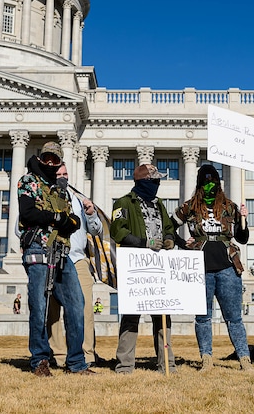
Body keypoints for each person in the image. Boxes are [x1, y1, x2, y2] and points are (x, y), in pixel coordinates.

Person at [17, 142, 95, 377]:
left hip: (63, 252)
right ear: (41, 159)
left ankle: (76, 362)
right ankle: (40, 360)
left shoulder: (61, 189)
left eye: (55, 160)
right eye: (47, 158)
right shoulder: (28, 181)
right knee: (39, 307)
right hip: (38, 249)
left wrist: (59, 219)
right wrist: (57, 218)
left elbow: (74, 222)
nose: (51, 163)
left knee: (76, 305)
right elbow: (28, 213)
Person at [171, 164, 253, 372]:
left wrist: (244, 219)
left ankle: (245, 359)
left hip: (228, 267)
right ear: (199, 184)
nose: (210, 185)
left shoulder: (229, 206)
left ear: (219, 183)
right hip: (199, 268)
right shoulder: (189, 207)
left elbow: (242, 239)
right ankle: (206, 358)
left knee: (234, 317)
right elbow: (168, 227)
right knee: (203, 317)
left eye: (213, 181)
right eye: (206, 182)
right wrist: (182, 243)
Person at [110, 163, 176, 374]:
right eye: (154, 180)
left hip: (159, 267)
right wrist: (144, 243)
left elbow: (168, 228)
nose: (158, 184)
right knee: (131, 316)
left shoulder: (159, 205)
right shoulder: (123, 203)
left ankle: (166, 364)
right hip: (136, 267)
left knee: (163, 315)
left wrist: (169, 239)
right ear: (143, 182)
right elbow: (118, 232)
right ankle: (125, 366)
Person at [48, 162, 103, 368]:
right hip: (53, 258)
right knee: (52, 310)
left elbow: (95, 230)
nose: (63, 177)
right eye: (58, 174)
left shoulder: (78, 199)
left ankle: (87, 354)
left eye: (65, 173)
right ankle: (59, 355)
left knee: (85, 309)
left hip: (78, 259)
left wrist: (91, 214)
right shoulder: (44, 197)